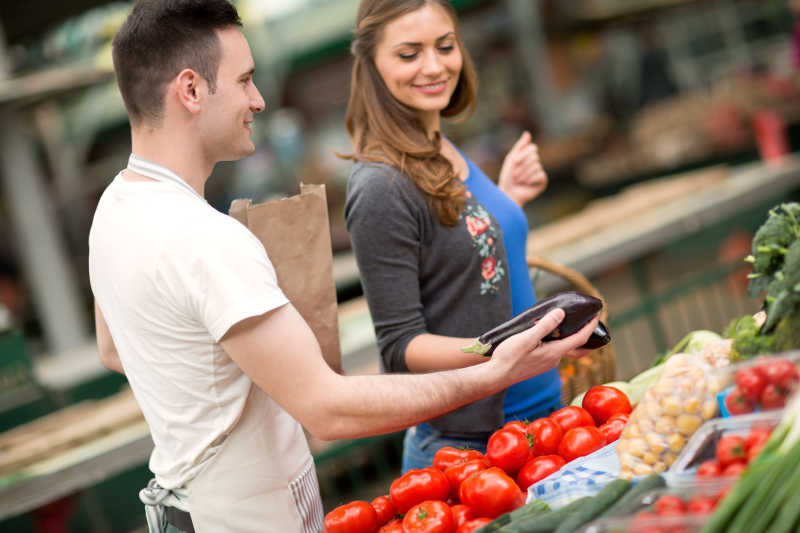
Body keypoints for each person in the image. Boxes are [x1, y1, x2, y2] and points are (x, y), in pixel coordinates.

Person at [89, 1, 598, 532]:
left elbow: (114, 348)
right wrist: (492, 372)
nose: (258, 100)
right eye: (245, 81)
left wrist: (235, 375)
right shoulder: (207, 239)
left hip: (181, 512)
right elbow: (327, 409)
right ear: (191, 91)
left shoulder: (115, 210)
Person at [343, 0, 589, 473]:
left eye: (445, 46)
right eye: (409, 54)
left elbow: (461, 258)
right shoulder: (380, 185)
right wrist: (504, 349)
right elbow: (401, 346)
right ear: (372, 65)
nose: (434, 66)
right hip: (473, 449)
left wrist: (506, 202)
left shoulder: (440, 146)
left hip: (542, 423)